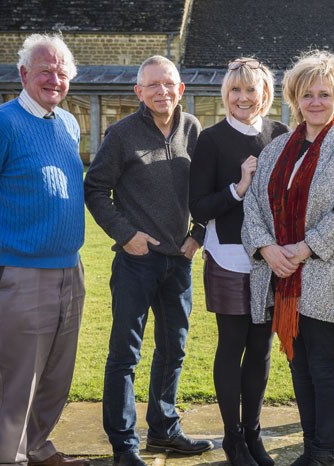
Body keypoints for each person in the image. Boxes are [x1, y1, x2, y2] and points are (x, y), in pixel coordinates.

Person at [241, 50, 334, 466]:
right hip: (282, 276)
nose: (315, 102)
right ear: (295, 99)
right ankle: (310, 446)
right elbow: (254, 206)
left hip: (328, 274)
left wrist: (302, 249)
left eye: (324, 94)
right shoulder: (277, 148)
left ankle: (322, 452)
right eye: (307, 94)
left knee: (324, 363)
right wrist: (267, 249)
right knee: (298, 365)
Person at [84, 55, 213, 466]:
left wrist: (198, 235)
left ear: (181, 88)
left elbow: (207, 190)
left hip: (179, 261)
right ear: (138, 92)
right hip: (136, 262)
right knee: (125, 355)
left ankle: (164, 429)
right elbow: (95, 190)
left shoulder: (192, 129)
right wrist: (126, 236)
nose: (163, 91)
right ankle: (124, 445)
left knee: (173, 349)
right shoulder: (121, 134)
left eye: (169, 84)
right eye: (153, 85)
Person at [0, 33, 89, 466]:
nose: (54, 79)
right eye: (45, 70)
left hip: (71, 266)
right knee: (20, 375)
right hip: (20, 269)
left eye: (61, 72)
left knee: (56, 372)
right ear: (23, 74)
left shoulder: (68, 123)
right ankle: (10, 456)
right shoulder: (3, 123)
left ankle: (38, 444)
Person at [189, 57, 289, 466]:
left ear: (266, 94)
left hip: (271, 261)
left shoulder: (280, 135)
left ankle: (254, 435)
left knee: (262, 349)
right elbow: (198, 205)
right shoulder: (211, 140)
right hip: (229, 257)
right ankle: (232, 439)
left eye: (251, 90)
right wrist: (239, 187)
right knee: (232, 346)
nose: (243, 98)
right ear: (225, 95)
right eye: (235, 90)